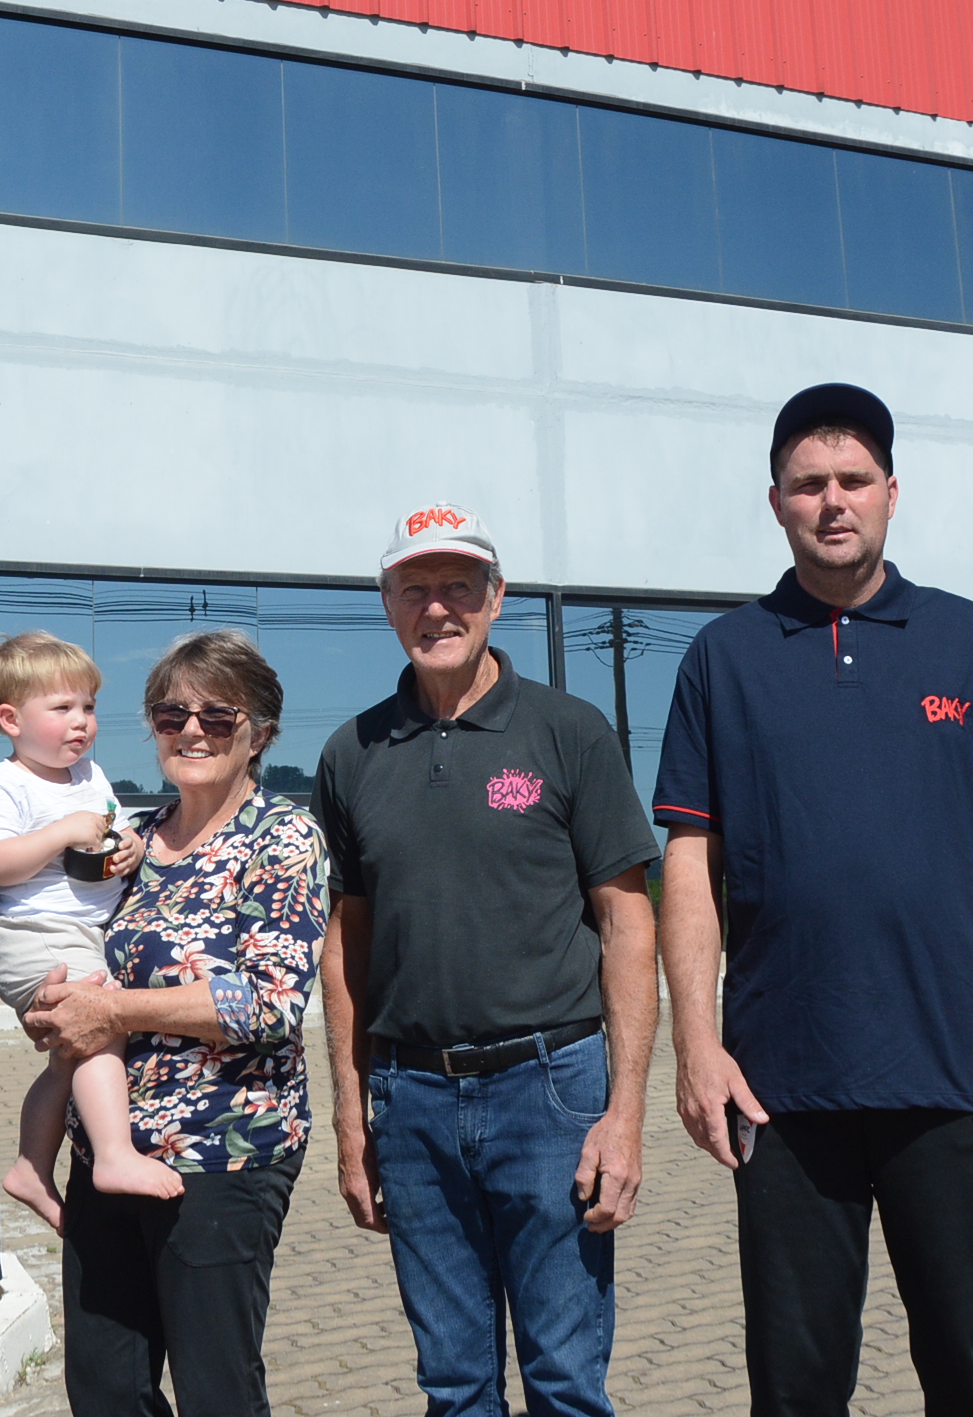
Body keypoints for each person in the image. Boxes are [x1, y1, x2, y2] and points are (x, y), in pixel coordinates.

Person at [655, 382, 973, 1417]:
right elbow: (689, 867)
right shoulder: (724, 656)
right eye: (808, 484)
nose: (831, 501)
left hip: (954, 1076)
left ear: (891, 492)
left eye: (851, 480)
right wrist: (696, 1048)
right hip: (782, 1089)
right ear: (775, 501)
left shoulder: (971, 644)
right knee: (794, 1390)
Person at [314, 507, 660, 1417]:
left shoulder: (569, 731)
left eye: (459, 587)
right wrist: (353, 1120)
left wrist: (625, 1114)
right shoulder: (351, 753)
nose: (438, 608)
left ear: (496, 600)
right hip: (412, 1103)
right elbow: (345, 943)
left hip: (551, 1092)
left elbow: (628, 925)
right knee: (455, 1387)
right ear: (387, 605)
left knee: (565, 1382)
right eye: (415, 588)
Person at [23, 630, 328, 1417]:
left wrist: (112, 1010)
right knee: (105, 1389)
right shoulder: (131, 841)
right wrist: (56, 1008)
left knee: (215, 1388)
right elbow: (68, 943)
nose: (192, 731)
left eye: (218, 717)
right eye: (171, 715)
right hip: (112, 1152)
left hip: (225, 1153)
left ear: (259, 732)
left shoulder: (283, 838)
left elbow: (270, 1000)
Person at [0, 629, 162, 1228]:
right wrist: (59, 834)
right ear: (10, 719)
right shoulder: (3, 785)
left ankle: (29, 1165)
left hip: (81, 932)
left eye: (89, 708)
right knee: (101, 1029)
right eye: (62, 709)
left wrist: (127, 845)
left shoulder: (90, 777)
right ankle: (114, 1155)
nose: (81, 722)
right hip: (34, 933)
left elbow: (108, 829)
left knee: (69, 1058)